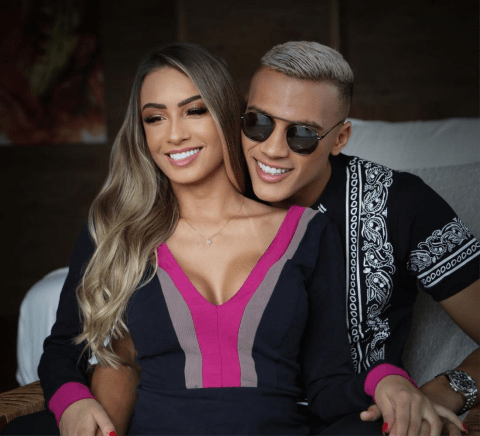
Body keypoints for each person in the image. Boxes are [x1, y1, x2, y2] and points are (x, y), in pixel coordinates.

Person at [2, 43, 464, 436]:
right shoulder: (117, 228)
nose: (175, 134)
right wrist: (73, 402)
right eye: (155, 118)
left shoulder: (308, 231)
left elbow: (327, 380)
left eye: (194, 110)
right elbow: (66, 348)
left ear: (225, 114)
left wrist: (385, 379)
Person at [240, 41, 480, 435]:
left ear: (340, 138)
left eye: (303, 134)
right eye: (258, 123)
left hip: (360, 422)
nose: (272, 148)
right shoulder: (215, 192)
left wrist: (439, 394)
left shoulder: (401, 204)